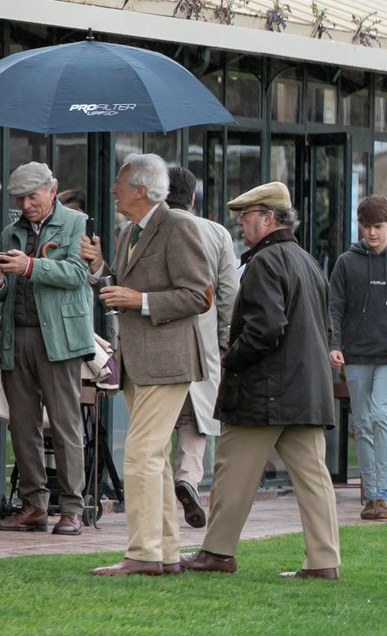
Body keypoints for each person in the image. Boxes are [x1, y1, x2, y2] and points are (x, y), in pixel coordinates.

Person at [181, 182, 341, 579]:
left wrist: (229, 358)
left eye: (246, 217)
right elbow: (324, 327)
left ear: (269, 219)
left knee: (232, 473)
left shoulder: (266, 262)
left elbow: (266, 329)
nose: (240, 225)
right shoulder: (307, 260)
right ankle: (324, 562)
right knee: (315, 481)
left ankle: (217, 552)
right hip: (305, 392)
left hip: (264, 393)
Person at [86, 154, 212, 577]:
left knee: (140, 455)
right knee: (152, 457)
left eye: (119, 184)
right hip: (137, 361)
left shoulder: (178, 226)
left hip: (169, 361)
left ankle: (143, 554)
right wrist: (99, 269)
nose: (112, 191)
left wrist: (138, 301)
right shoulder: (127, 232)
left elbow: (198, 295)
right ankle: (165, 554)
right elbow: (119, 287)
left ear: (141, 189)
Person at [0, 162, 94, 536]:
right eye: (20, 198)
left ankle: (71, 509)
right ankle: (34, 505)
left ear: (53, 189)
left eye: (33, 196)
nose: (26, 204)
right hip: (19, 335)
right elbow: (4, 293)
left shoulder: (76, 223)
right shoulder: (9, 231)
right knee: (22, 426)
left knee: (65, 425)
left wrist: (30, 266)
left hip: (59, 340)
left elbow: (79, 275)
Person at [329, 195, 387, 522]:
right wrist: (334, 343)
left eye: (378, 226)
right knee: (363, 422)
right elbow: (334, 306)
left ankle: (383, 490)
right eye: (366, 226)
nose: (371, 233)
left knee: (381, 414)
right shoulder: (345, 263)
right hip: (355, 353)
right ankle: (372, 496)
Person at [164, 166, 238, 528]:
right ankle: (187, 479)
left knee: (158, 421)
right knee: (197, 421)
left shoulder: (142, 230)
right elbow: (229, 294)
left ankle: (162, 494)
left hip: (157, 340)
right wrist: (224, 340)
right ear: (193, 199)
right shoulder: (216, 233)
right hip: (202, 342)